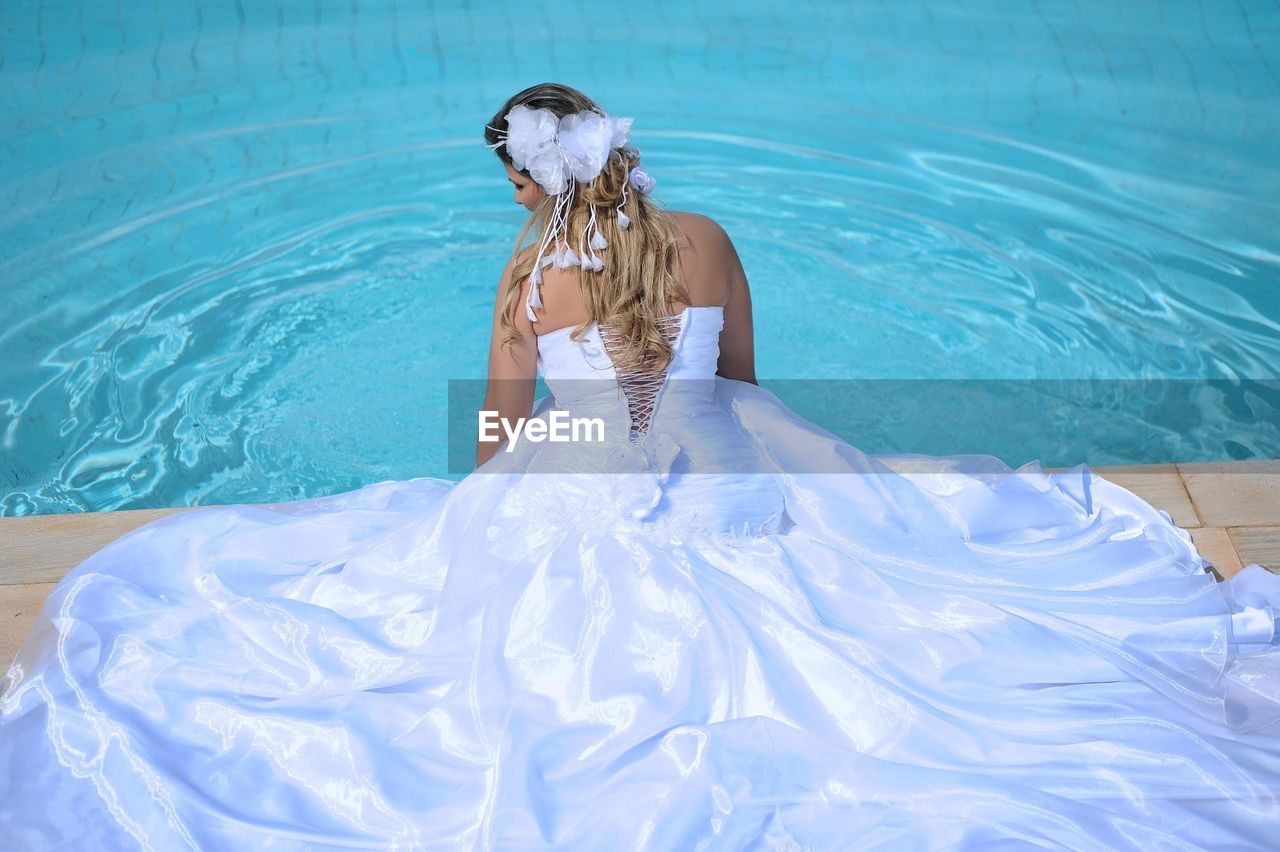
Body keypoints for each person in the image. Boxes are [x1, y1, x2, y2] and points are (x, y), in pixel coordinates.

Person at [1, 82, 1278, 850]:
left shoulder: (527, 273)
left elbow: (499, 441)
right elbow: (744, 389)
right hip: (732, 479)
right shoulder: (707, 237)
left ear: (527, 176)